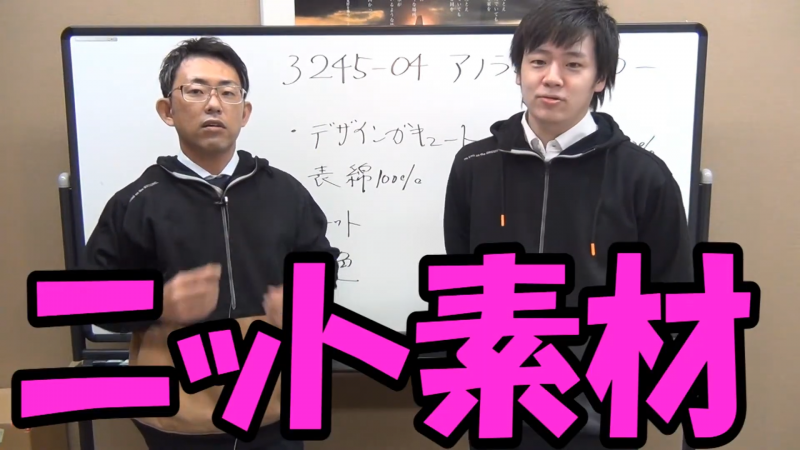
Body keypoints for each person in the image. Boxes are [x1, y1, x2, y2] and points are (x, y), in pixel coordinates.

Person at [443, 0, 693, 449]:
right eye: (538, 61)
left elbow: (670, 291)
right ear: (519, 70)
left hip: (600, 407)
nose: (552, 78)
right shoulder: (474, 165)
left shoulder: (643, 175)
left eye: (573, 65)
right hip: (499, 397)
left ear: (600, 78)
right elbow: (462, 277)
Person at [84, 36, 339, 450]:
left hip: (272, 401)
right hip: (179, 413)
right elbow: (91, 299)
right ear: (167, 110)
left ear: (245, 111)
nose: (214, 104)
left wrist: (304, 300)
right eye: (196, 91)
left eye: (228, 92)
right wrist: (159, 302)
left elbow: (321, 266)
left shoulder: (286, 193)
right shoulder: (136, 202)